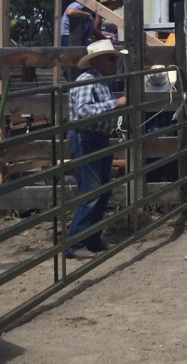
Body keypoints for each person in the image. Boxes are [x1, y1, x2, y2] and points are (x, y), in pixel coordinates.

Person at [65, 39, 129, 260]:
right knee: (91, 191)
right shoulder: (86, 81)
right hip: (86, 138)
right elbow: (82, 112)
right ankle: (76, 243)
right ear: (98, 60)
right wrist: (115, 104)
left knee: (102, 190)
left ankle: (90, 238)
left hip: (97, 138)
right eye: (111, 58)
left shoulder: (100, 81)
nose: (114, 62)